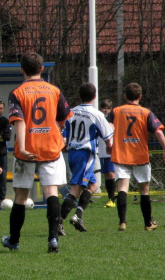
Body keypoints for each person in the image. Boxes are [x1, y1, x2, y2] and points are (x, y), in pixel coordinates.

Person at [1, 53, 72, 253]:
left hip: (27, 150)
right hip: (51, 148)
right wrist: (60, 134)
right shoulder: (54, 91)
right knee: (51, 192)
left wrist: (23, 147)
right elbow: (63, 118)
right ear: (42, 69)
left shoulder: (17, 92)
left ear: (22, 69)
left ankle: (14, 241)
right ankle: (53, 239)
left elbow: (19, 121)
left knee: (21, 197)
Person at [107, 82, 165, 231]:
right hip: (140, 155)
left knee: (122, 188)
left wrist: (109, 143)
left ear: (125, 96)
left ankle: (122, 223)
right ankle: (147, 224)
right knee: (144, 190)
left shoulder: (116, 111)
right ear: (140, 96)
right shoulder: (146, 112)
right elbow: (158, 132)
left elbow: (108, 128)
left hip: (121, 154)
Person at [58, 83, 113, 235]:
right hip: (85, 154)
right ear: (95, 96)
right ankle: (58, 222)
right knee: (76, 189)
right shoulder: (97, 114)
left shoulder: (71, 113)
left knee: (93, 185)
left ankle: (78, 215)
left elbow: (63, 133)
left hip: (73, 153)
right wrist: (109, 147)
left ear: (79, 95)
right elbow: (108, 137)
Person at [98, 99, 117, 208]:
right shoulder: (100, 119)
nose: (105, 110)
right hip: (101, 150)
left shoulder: (112, 119)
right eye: (103, 107)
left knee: (111, 173)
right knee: (106, 174)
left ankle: (112, 198)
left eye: (107, 108)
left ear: (110, 109)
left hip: (110, 150)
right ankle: (110, 198)